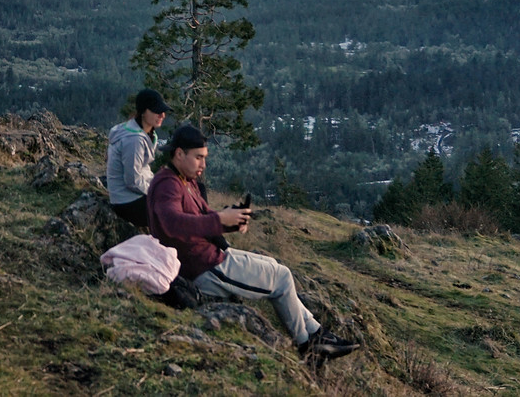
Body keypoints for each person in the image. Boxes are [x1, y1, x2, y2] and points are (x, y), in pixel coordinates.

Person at [147, 123, 360, 362]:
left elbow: (203, 218)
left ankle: (317, 333)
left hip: (211, 257)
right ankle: (307, 345)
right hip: (202, 268)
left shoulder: (185, 181)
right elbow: (172, 223)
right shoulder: (167, 185)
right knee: (281, 277)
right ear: (179, 154)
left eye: (204, 158)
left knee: (275, 265)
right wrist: (220, 220)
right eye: (198, 157)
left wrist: (232, 221)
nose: (203, 165)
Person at [106, 88, 169, 229]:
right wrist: (156, 190)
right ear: (143, 112)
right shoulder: (134, 140)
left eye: (163, 111)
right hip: (127, 203)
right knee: (176, 212)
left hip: (134, 196)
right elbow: (132, 181)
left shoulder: (147, 133)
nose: (162, 115)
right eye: (157, 111)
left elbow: (141, 171)